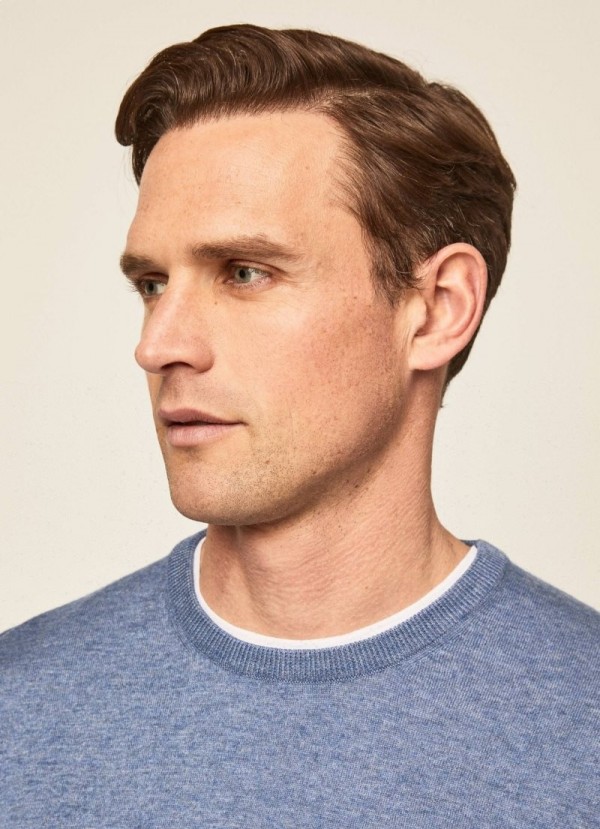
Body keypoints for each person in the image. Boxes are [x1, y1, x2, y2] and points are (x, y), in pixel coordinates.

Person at [1, 23, 598, 827]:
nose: (158, 344)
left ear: (437, 309)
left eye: (245, 272)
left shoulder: (582, 723)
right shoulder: (18, 710)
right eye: (152, 283)